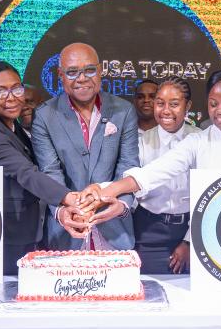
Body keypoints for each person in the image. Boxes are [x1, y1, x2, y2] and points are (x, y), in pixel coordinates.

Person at [88, 69, 221, 220]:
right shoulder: (197, 141)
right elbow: (153, 173)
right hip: (211, 226)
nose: (220, 110)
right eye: (213, 104)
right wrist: (103, 188)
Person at [0, 61, 93, 273]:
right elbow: (25, 172)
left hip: (24, 229)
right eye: (0, 91)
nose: (11, 97)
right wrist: (70, 198)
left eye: (16, 88)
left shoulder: (9, 122)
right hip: (1, 235)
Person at [31, 42, 140, 249]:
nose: (82, 78)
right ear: (60, 75)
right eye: (72, 72)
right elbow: (50, 171)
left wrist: (121, 204)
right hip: (66, 231)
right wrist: (65, 210)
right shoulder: (44, 116)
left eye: (89, 70)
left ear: (100, 71)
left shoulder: (124, 111)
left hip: (115, 230)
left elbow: (128, 165)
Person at [132, 77, 200, 274]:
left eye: (174, 104)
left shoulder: (201, 139)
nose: (166, 110)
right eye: (160, 103)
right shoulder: (141, 141)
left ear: (188, 106)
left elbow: (209, 194)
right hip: (149, 232)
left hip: (192, 229)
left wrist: (189, 240)